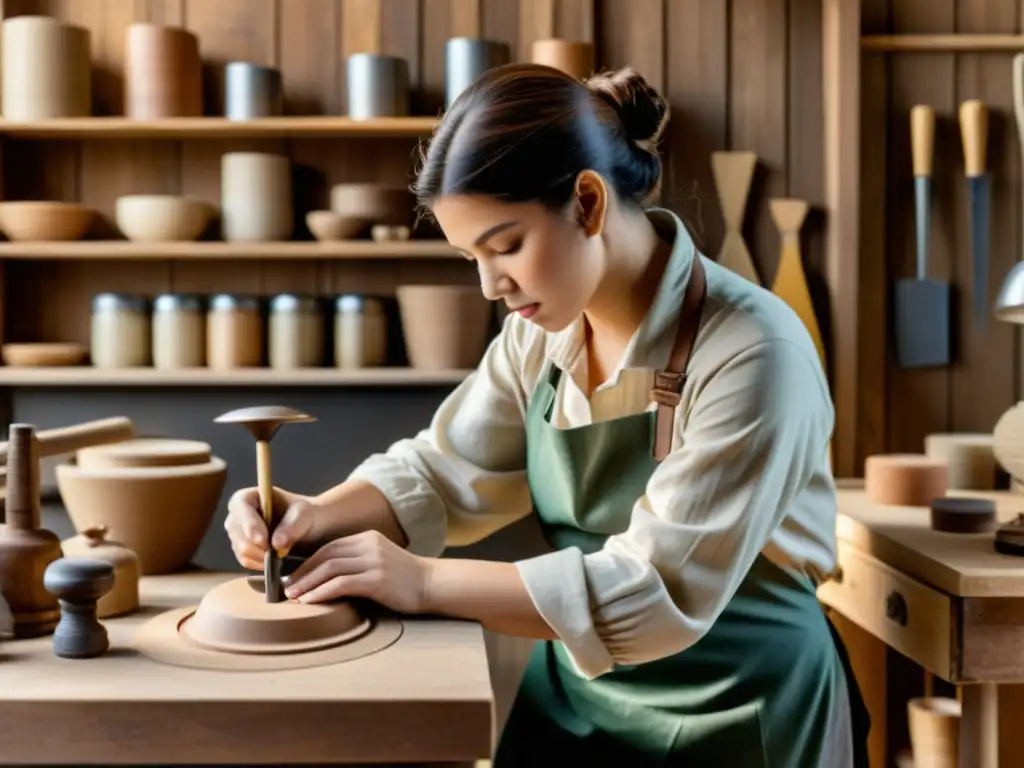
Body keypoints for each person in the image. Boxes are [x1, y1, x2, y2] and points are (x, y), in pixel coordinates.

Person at [224, 62, 869, 767]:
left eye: (505, 246)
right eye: (472, 256)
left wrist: (424, 581)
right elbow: (443, 472)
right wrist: (318, 515)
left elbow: (653, 591)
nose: (490, 285)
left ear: (587, 202)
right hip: (581, 697)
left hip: (745, 710)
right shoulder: (540, 334)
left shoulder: (754, 351)